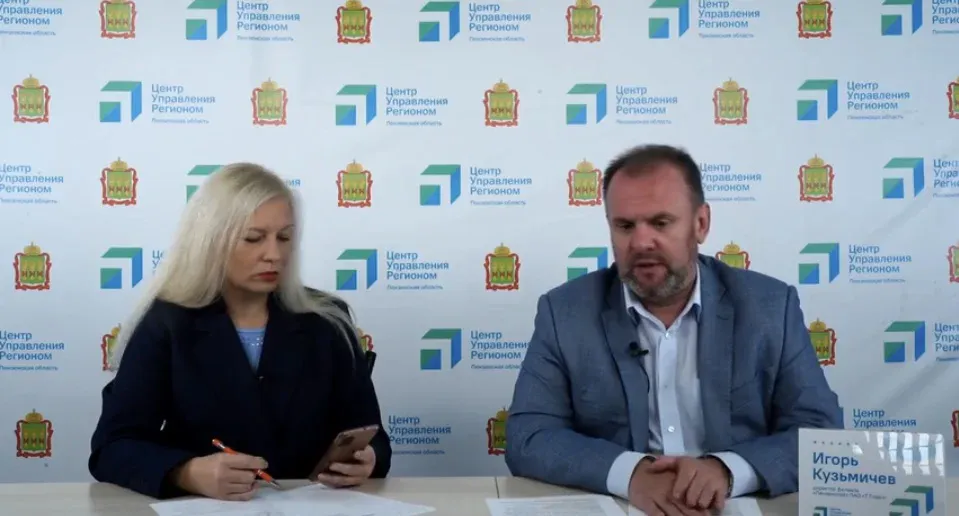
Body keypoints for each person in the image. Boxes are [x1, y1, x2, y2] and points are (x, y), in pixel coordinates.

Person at [505, 145, 842, 516]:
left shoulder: (770, 307)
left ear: (701, 224)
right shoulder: (565, 312)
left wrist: (726, 470)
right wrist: (631, 474)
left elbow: (819, 432)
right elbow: (529, 436)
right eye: (625, 226)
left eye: (661, 223)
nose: (641, 242)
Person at [88, 163, 391, 500]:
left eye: (284, 237)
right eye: (253, 238)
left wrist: (368, 459)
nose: (274, 254)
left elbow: (373, 436)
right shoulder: (167, 323)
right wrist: (187, 473)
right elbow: (112, 446)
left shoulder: (329, 320)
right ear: (211, 241)